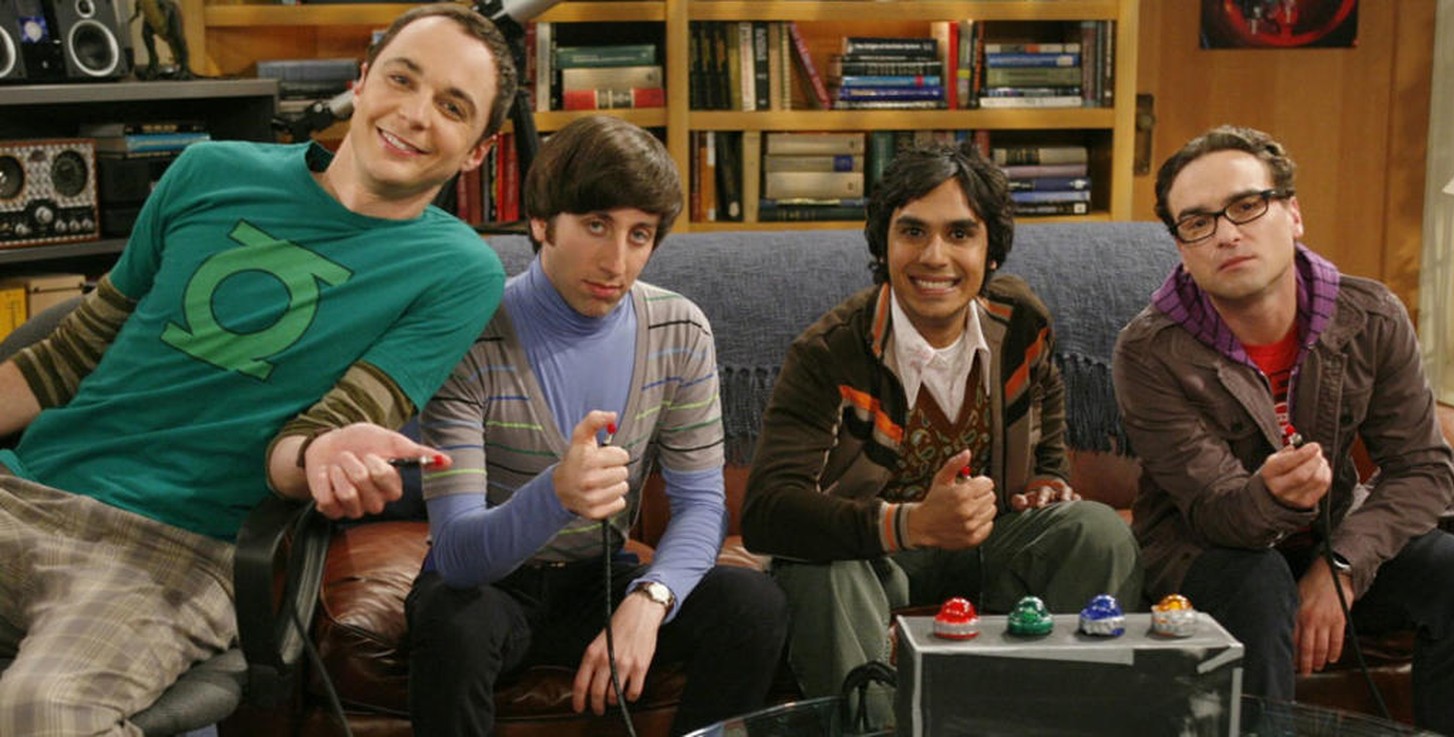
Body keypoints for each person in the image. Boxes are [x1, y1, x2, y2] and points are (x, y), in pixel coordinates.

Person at [0, 4, 512, 734]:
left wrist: (324, 456)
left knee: (41, 713)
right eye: (403, 79)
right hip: (23, 489)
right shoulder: (207, 170)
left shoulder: (457, 271)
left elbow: (314, 437)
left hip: (170, 554)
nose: (415, 113)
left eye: (453, 107)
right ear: (362, 81)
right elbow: (67, 357)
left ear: (478, 152)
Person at [1113, 125, 1454, 736]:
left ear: (1293, 214)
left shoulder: (1372, 315)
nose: (1226, 233)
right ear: (1182, 248)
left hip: (1334, 533)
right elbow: (1213, 510)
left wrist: (1342, 565)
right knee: (1261, 583)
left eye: (1247, 205)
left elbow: (1422, 467)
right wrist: (1272, 496)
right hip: (1204, 549)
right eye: (1197, 222)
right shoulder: (1148, 352)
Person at [405, 114, 788, 737]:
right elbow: (456, 556)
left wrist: (652, 597)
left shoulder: (679, 330)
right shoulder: (470, 334)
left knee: (753, 604)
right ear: (541, 222)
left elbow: (701, 505)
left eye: (640, 235)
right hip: (488, 586)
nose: (616, 261)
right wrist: (557, 494)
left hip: (599, 577)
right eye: (595, 225)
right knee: (454, 621)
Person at [741, 142, 1143, 725]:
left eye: (960, 234)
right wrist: (912, 524)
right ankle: (876, 728)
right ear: (884, 243)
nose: (935, 257)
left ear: (990, 250)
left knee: (1097, 532)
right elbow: (767, 512)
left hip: (991, 543)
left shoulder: (1020, 321)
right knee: (818, 568)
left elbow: (1047, 412)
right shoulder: (829, 353)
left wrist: (1047, 480)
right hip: (872, 564)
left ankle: (1054, 723)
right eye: (912, 231)